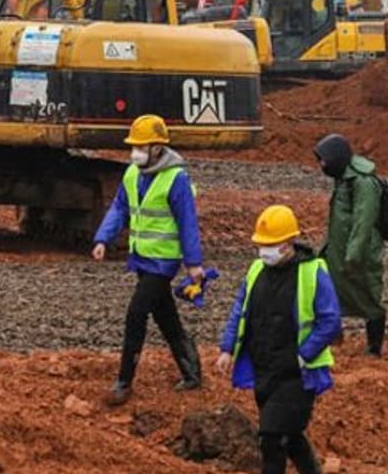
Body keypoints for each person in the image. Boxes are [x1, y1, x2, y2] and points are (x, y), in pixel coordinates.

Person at [216, 205, 340, 474]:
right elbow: (241, 309)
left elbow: (330, 320)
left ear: (288, 243)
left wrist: (304, 353)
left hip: (297, 373)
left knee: (271, 438)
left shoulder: (312, 272)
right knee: (290, 435)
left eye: (270, 245)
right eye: (261, 244)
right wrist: (227, 348)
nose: (264, 251)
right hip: (265, 369)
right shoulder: (256, 271)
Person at [91, 114, 204, 406]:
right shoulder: (132, 174)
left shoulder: (175, 178)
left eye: (141, 146)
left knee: (136, 313)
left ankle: (124, 381)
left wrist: (193, 264)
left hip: (163, 262)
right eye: (134, 146)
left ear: (157, 148)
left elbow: (187, 222)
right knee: (166, 316)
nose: (135, 151)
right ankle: (192, 371)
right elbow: (120, 208)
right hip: (142, 258)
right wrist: (103, 238)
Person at [313, 134, 386, 356]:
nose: (322, 165)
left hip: (358, 253)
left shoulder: (363, 182)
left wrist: (353, 255)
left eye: (324, 160)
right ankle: (333, 336)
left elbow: (363, 222)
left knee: (367, 297)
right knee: (327, 292)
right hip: (338, 250)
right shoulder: (344, 178)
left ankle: (374, 348)